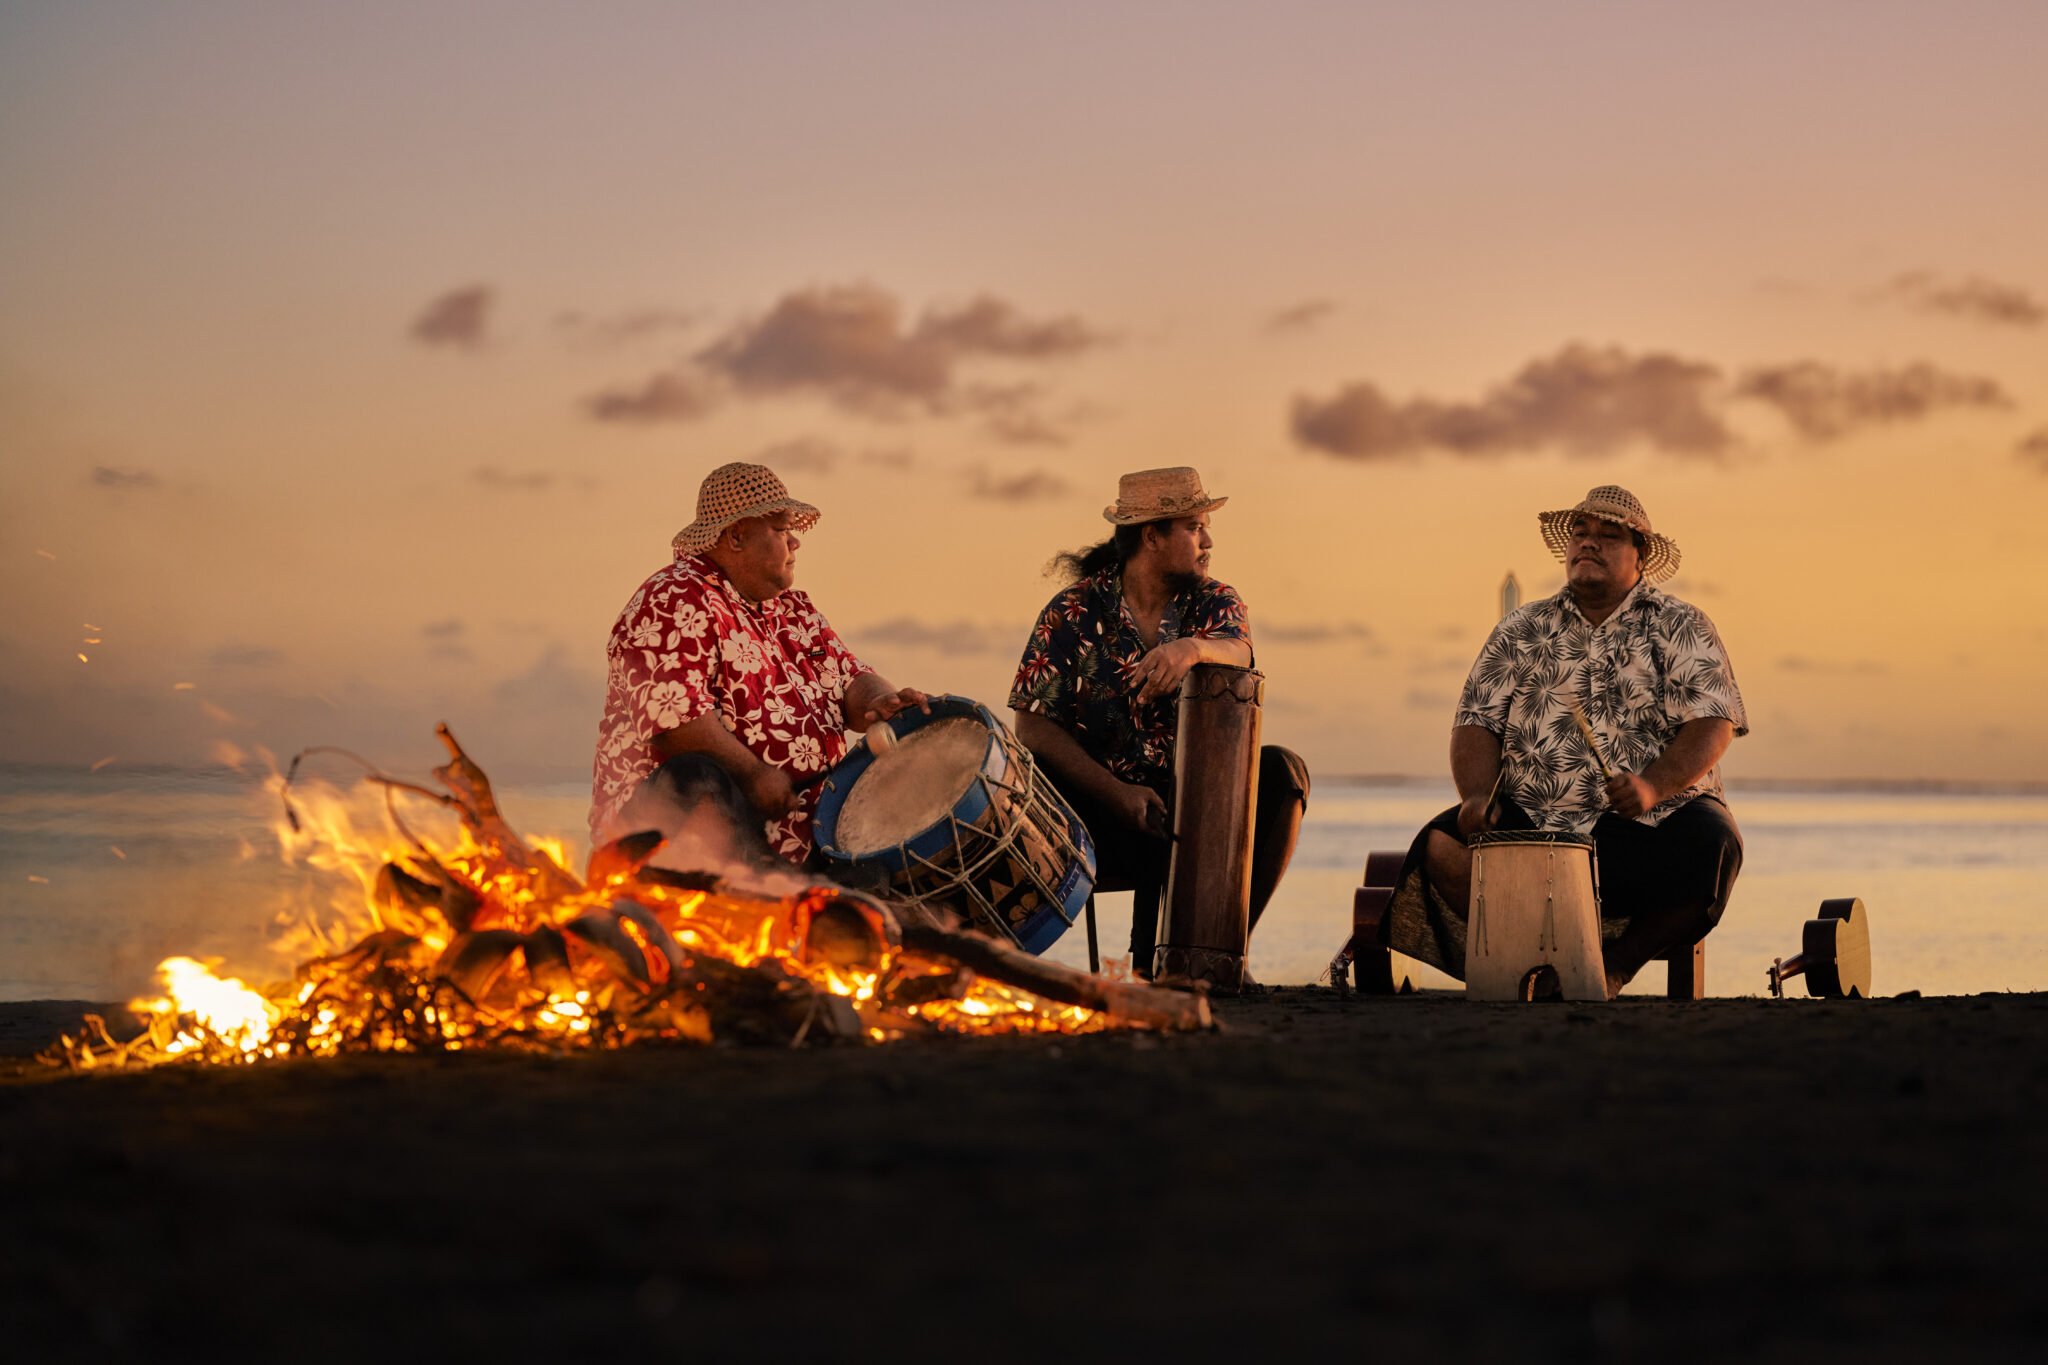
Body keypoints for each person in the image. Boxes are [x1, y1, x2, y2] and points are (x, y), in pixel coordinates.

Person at [1380, 485, 1747, 996]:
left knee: (1715, 847)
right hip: (1534, 826)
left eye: (1608, 535)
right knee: (1441, 844)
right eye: (1580, 533)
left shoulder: (1680, 624)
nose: (1589, 543)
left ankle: (1612, 967)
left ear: (1640, 554)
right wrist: (1476, 797)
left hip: (1648, 825)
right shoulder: (1520, 628)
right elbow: (1475, 723)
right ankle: (1527, 953)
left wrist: (1650, 787)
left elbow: (1713, 722)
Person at [1008, 466, 1309, 975]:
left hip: (1193, 813)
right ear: (1152, 536)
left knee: (1284, 773)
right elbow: (1032, 725)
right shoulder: (1073, 610)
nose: (1208, 540)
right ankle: (1004, 958)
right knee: (1022, 779)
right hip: (1096, 815)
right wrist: (1116, 794)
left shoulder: (1215, 602)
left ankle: (1219, 952)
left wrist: (1191, 648)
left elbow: (1241, 649)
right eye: (1194, 527)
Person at [589, 462, 927, 863]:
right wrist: (753, 774)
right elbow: (674, 722)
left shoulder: (793, 610)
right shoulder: (674, 598)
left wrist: (882, 703)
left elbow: (852, 680)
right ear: (736, 536)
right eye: (782, 530)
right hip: (667, 830)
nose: (795, 543)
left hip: (802, 833)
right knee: (698, 776)